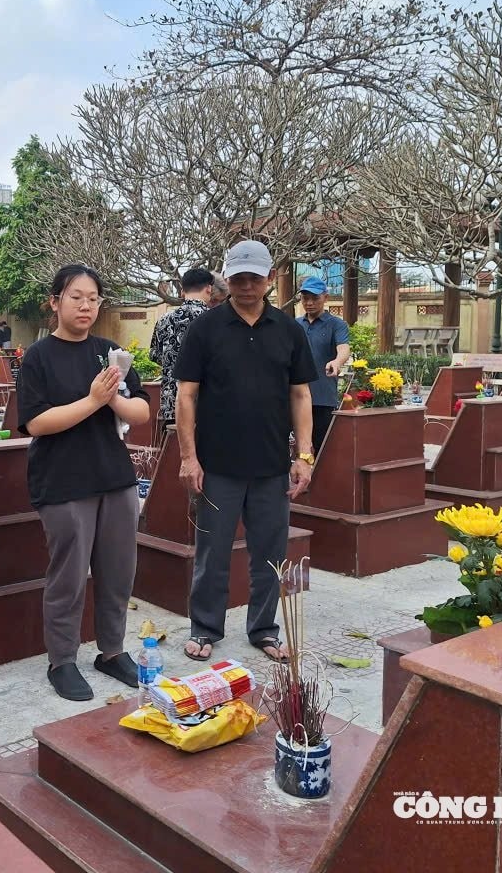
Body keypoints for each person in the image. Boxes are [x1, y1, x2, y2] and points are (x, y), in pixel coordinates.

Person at [174, 240, 317, 665]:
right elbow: (186, 396)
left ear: (271, 279)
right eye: (238, 278)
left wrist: (304, 456)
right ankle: (204, 628)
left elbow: (301, 395)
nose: (247, 285)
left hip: (272, 466)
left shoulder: (288, 330)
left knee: (270, 554)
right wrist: (188, 457)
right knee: (211, 553)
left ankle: (264, 629)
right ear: (226, 279)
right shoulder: (206, 328)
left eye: (255, 277)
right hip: (217, 466)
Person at [16, 264, 151, 701]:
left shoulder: (109, 353)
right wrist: (93, 400)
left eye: (93, 297)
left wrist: (113, 399)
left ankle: (111, 651)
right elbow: (36, 422)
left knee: (118, 571)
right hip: (62, 482)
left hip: (115, 478)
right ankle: (63, 659)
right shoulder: (38, 357)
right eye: (76, 296)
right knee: (69, 577)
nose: (86, 305)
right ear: (55, 302)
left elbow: (141, 412)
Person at [149, 268, 214, 437]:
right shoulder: (214, 320)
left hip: (171, 404)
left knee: (171, 458)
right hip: (206, 406)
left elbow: (155, 356)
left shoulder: (164, 320)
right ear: (209, 288)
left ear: (182, 290)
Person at [295, 276, 351, 455]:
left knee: (322, 449)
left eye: (315, 298)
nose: (309, 303)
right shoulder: (295, 325)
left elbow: (343, 348)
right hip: (295, 395)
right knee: (295, 447)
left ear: (326, 298)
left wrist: (337, 361)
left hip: (322, 396)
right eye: (305, 298)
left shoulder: (337, 325)